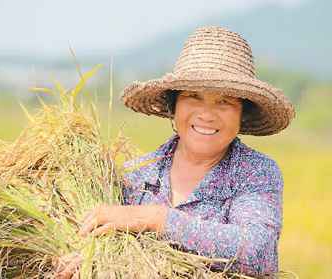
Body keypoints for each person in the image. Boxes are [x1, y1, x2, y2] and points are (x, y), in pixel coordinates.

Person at [55, 26, 295, 278]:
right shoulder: (136, 176)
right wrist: (87, 257)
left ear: (242, 114)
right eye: (193, 96)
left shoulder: (255, 172)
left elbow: (258, 253)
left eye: (224, 101)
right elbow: (106, 243)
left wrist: (157, 219)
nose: (206, 114)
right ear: (174, 105)